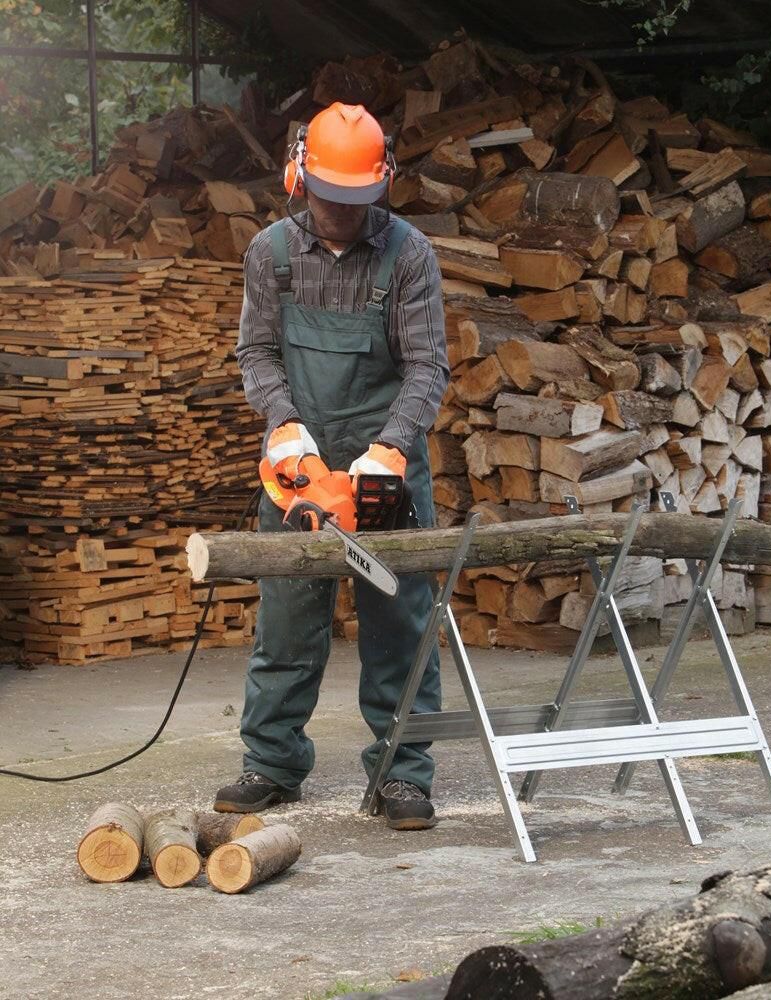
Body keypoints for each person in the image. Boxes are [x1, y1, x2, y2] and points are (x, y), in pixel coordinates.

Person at [214, 102, 449, 830]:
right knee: (286, 625)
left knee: (400, 630)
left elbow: (426, 366)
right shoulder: (271, 254)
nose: (341, 216)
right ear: (298, 176)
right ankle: (273, 762)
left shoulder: (409, 255)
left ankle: (401, 773)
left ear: (380, 185)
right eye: (328, 200)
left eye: (355, 203)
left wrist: (394, 444)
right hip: (300, 468)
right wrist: (282, 425)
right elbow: (257, 352)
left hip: (383, 469)